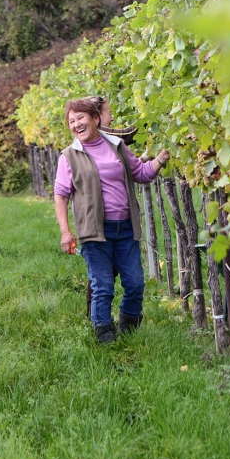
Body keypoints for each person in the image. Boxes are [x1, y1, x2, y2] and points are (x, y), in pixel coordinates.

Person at [54, 97, 170, 343]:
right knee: (103, 285)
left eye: (80, 118)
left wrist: (161, 159)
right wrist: (66, 232)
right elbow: (61, 195)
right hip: (95, 231)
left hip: (126, 228)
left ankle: (129, 330)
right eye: (71, 121)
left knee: (136, 283)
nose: (76, 124)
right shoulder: (69, 156)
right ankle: (104, 335)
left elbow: (141, 173)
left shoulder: (116, 146)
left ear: (95, 119)